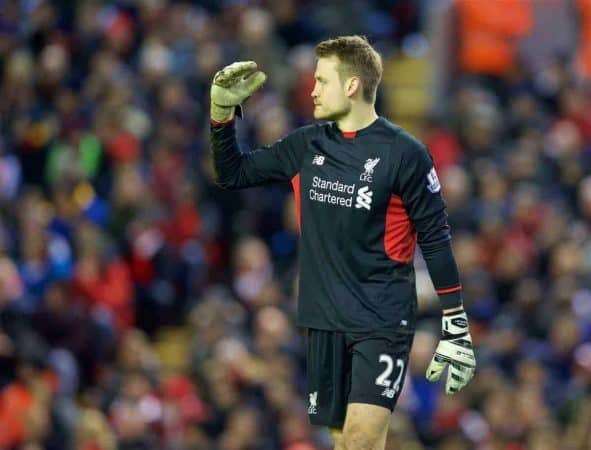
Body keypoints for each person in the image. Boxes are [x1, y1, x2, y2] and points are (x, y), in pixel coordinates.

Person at [209, 35, 476, 450]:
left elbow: (437, 240)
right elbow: (233, 174)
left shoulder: (406, 154)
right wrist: (222, 116)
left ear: (351, 85)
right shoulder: (306, 145)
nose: (312, 89)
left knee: (361, 440)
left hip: (381, 319)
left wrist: (455, 324)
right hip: (322, 318)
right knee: (341, 440)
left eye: (321, 80)